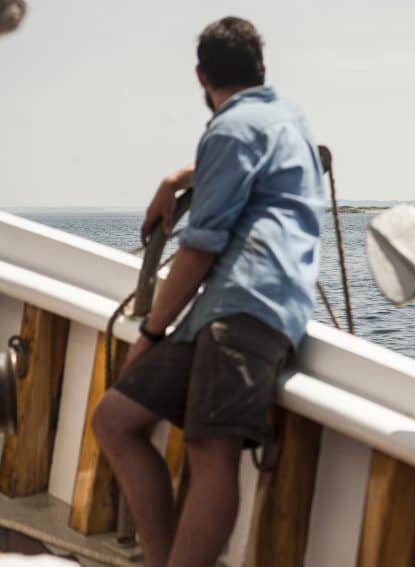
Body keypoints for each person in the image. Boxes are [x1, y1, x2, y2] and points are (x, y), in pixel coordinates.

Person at [91, 17, 325, 567]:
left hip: (246, 308)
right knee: (115, 419)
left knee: (209, 452)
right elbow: (244, 158)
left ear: (201, 76)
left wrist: (151, 332)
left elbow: (197, 250)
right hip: (230, 310)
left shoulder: (230, 129)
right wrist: (179, 178)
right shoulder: (288, 118)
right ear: (261, 69)